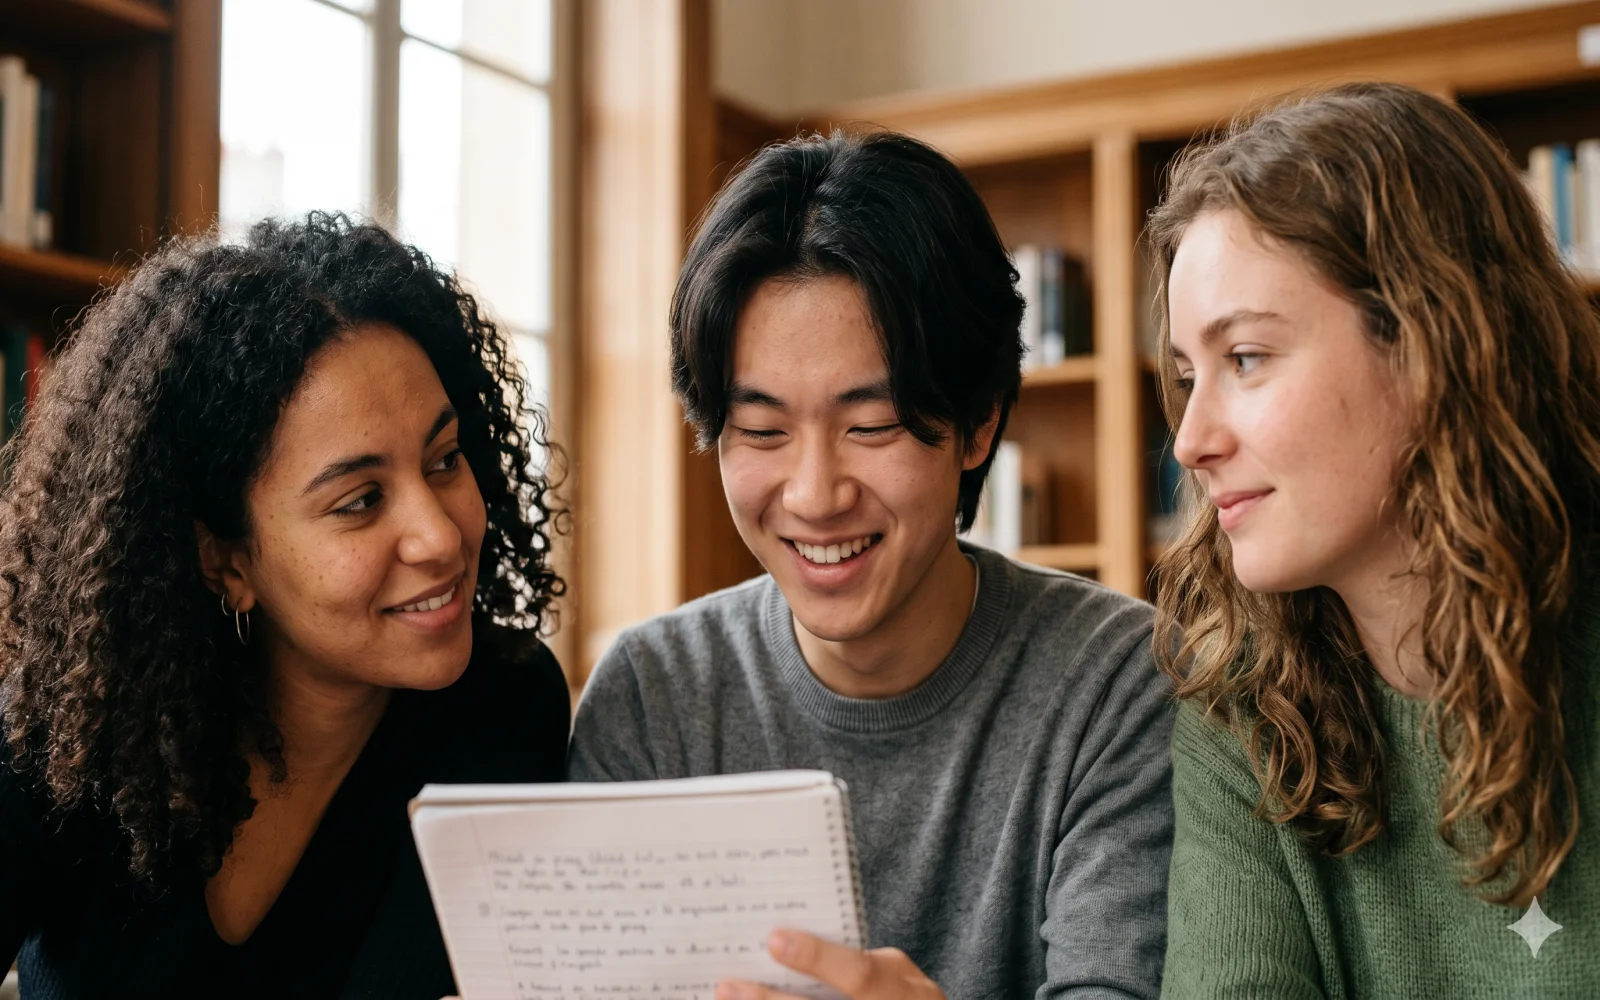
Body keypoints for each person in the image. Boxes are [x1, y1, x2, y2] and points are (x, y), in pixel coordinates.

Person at [569, 130, 1175, 999]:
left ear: (979, 425)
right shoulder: (654, 695)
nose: (814, 494)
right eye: (764, 430)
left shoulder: (1115, 686)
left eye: (873, 425)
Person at [0, 214, 571, 999]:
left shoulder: (504, 708)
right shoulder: (64, 735)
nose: (440, 537)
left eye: (444, 460)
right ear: (223, 560)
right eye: (361, 501)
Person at [1150, 82, 1600, 997]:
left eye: (1245, 359)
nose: (1190, 439)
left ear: (1435, 341)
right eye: (1188, 373)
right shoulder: (1240, 710)